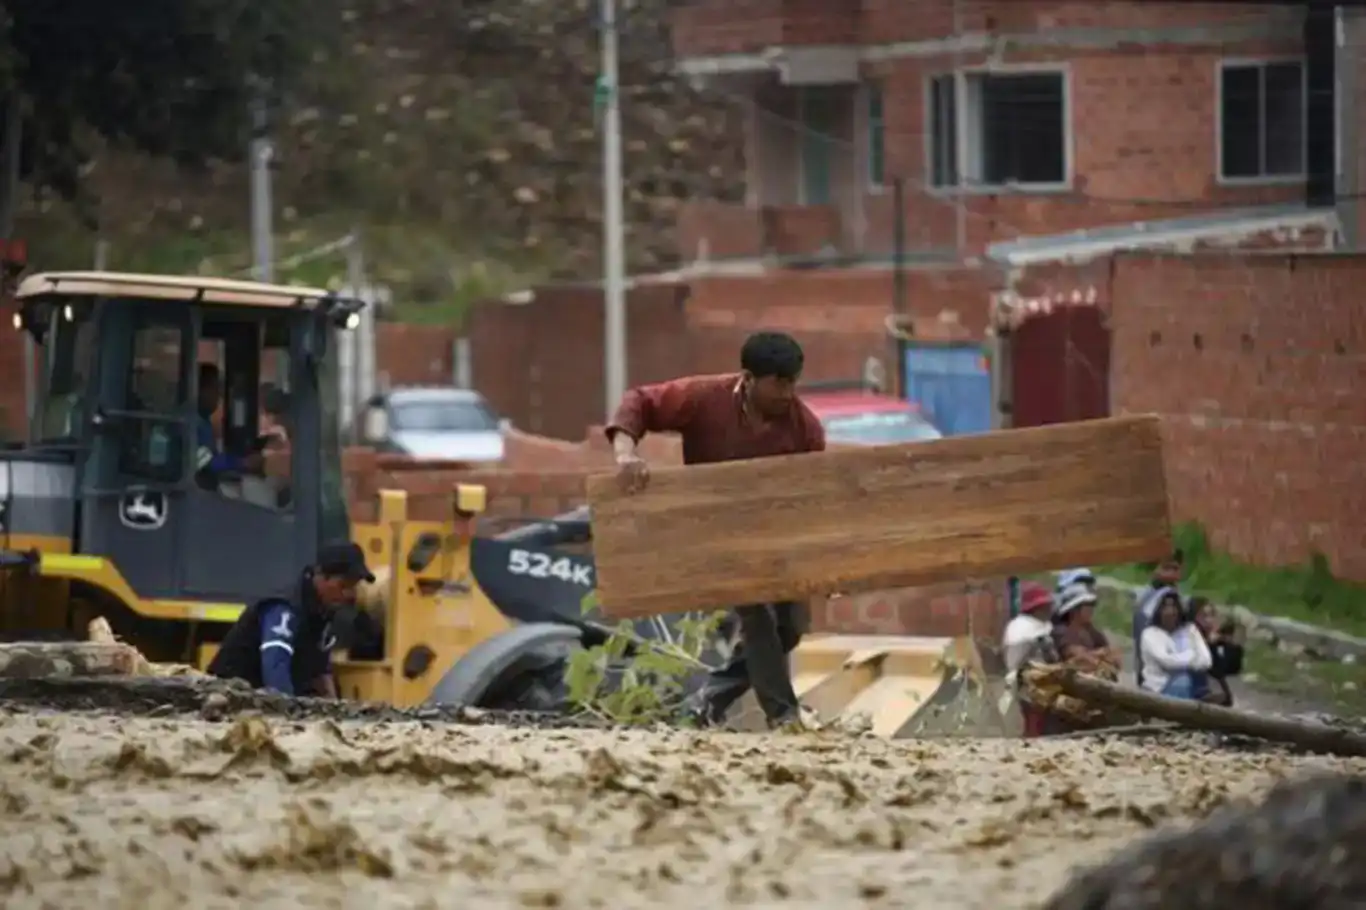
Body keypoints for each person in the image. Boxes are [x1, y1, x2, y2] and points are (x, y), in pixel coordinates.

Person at [605, 331, 826, 730]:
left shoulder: (805, 428)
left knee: (791, 629)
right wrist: (625, 454)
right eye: (778, 384)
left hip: (775, 536)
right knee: (757, 616)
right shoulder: (703, 398)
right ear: (748, 378)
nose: (787, 393)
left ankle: (708, 700)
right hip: (719, 531)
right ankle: (785, 717)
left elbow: (813, 499)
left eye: (792, 383)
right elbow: (639, 401)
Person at [207, 541, 375, 697]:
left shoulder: (324, 613)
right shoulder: (284, 607)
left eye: (354, 586)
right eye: (344, 585)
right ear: (320, 576)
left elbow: (321, 673)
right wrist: (287, 710)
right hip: (228, 698)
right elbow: (275, 665)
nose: (350, 594)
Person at [1002, 581, 1057, 738]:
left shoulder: (1035, 626)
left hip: (1034, 678)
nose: (1049, 609)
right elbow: (1017, 661)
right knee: (1033, 716)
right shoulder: (1027, 629)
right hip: (1030, 679)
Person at [1138, 588, 1212, 700]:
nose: (1170, 611)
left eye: (1173, 606)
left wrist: (1187, 663)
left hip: (1192, 684)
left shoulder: (1190, 630)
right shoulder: (1150, 634)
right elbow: (1167, 661)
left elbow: (1206, 660)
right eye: (1165, 607)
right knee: (1182, 681)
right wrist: (1191, 655)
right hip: (1158, 688)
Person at [196, 363, 265, 479]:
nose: (218, 396)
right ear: (201, 390)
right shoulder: (191, 423)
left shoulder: (204, 421)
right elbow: (205, 462)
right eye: (215, 389)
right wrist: (243, 463)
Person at [1132, 549, 1184, 687]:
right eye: (1166, 568)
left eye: (1175, 569)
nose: (1171, 574)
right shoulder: (1145, 600)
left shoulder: (1180, 598)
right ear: (1154, 570)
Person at [1054, 583, 1124, 674]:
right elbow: (1079, 657)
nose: (1091, 609)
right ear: (1074, 609)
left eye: (1092, 605)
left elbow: (1113, 654)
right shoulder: (1061, 632)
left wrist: (1104, 654)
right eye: (1087, 605)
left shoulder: (1091, 630)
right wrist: (1100, 655)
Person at [1190, 596, 1244, 706]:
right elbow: (1207, 667)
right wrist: (1209, 645)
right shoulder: (1190, 638)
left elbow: (1232, 669)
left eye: (1212, 615)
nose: (1209, 620)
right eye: (1204, 616)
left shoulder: (1216, 641)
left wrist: (1233, 646)